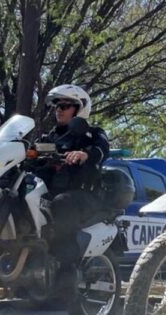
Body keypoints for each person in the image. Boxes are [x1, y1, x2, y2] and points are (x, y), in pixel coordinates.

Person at [40, 84, 110, 284]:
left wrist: (85, 154)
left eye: (65, 105)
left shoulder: (91, 133)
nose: (59, 110)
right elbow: (34, 153)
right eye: (57, 106)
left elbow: (102, 149)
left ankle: (66, 267)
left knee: (62, 203)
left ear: (80, 108)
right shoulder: (50, 137)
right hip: (50, 193)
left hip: (83, 195)